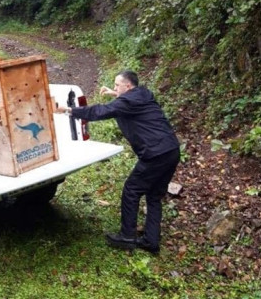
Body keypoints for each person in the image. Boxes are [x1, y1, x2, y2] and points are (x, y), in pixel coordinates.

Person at [55, 70, 180, 254]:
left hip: (155, 154)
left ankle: (127, 236)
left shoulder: (127, 102)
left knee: (131, 190)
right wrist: (114, 94)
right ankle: (151, 241)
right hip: (171, 150)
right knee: (154, 196)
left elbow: (100, 111)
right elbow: (128, 100)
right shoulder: (143, 94)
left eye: (117, 85)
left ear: (128, 86)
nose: (114, 88)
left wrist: (68, 110)